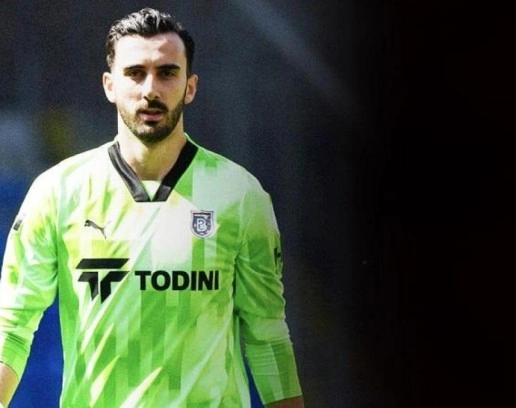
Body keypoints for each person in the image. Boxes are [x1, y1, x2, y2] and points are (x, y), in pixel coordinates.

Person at [0, 7, 304, 408]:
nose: (150, 89)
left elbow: (267, 336)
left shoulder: (239, 195)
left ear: (190, 87)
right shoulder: (58, 191)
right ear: (109, 85)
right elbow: (12, 328)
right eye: (135, 73)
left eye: (167, 73)